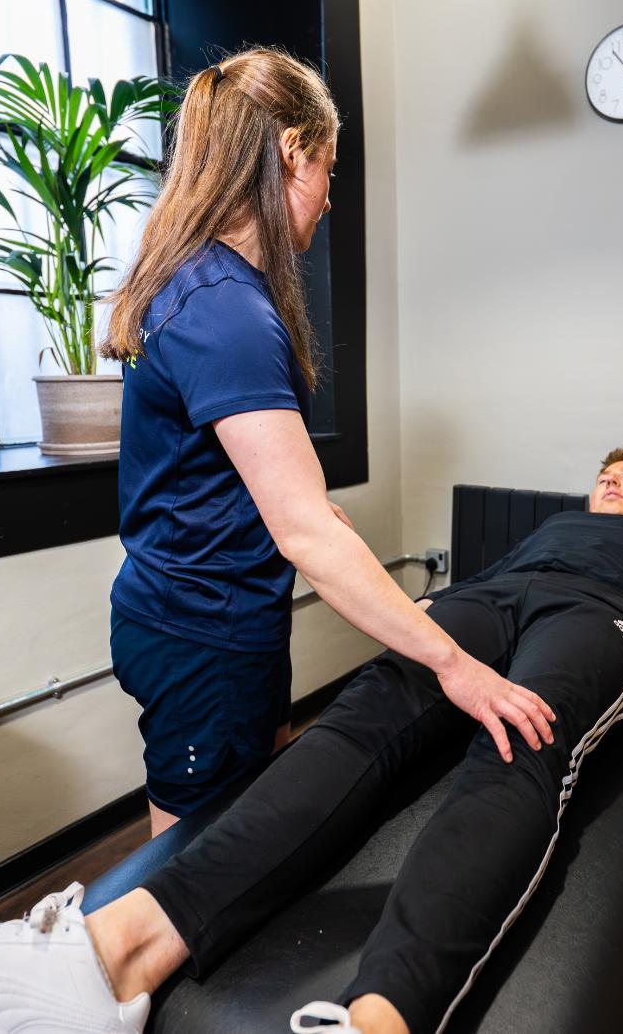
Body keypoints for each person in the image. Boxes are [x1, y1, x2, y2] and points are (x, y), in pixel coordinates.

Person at [0, 447, 623, 1034]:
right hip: (482, 599)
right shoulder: (548, 525)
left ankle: (380, 1017)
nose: (612, 485)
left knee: (523, 739)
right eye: (604, 474)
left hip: (595, 619)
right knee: (360, 716)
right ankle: (101, 963)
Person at [96, 46, 550, 837]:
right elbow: (306, 531)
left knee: (260, 810)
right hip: (199, 632)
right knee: (193, 868)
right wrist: (454, 665)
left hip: (226, 617)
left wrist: (414, 611)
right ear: (289, 152)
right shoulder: (224, 311)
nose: (331, 197)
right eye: (329, 170)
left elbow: (301, 507)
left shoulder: (214, 289)